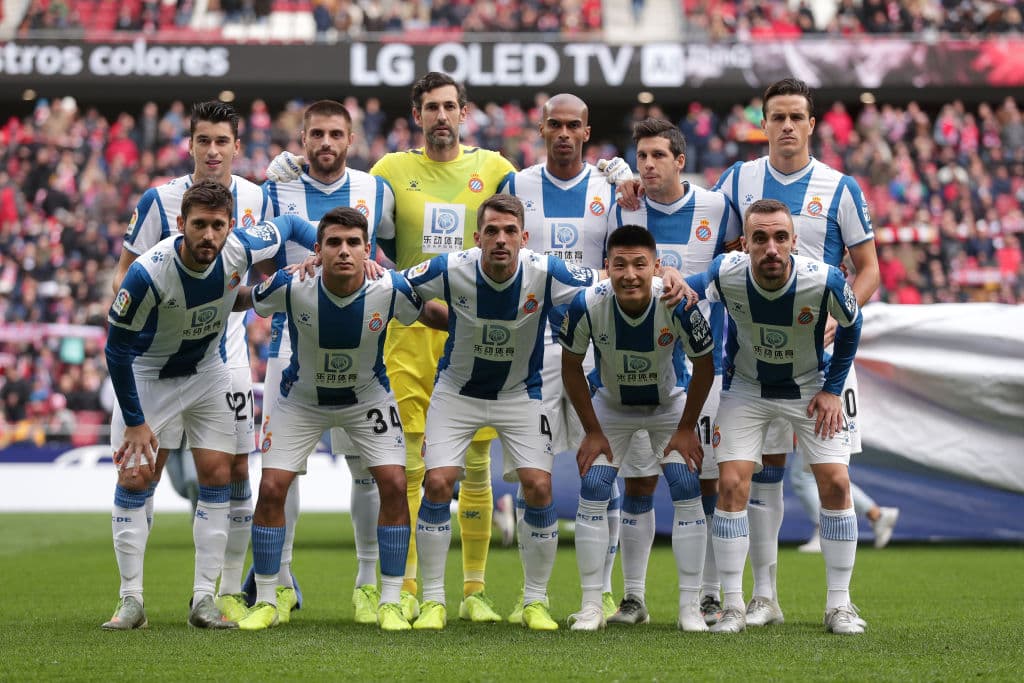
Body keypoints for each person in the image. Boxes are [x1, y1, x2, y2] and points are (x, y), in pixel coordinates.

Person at [102, 180, 315, 630]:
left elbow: (294, 223)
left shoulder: (241, 247)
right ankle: (130, 601)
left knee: (218, 474)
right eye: (198, 225)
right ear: (180, 225)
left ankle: (204, 598)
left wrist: (317, 251)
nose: (208, 236)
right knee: (136, 476)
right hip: (148, 374)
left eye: (218, 226)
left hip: (207, 372)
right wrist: (137, 424)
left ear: (231, 226)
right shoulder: (148, 272)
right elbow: (116, 350)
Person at [713, 78, 881, 627]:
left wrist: (841, 312)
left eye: (796, 117)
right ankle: (763, 598)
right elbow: (712, 249)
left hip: (822, 360)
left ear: (812, 125)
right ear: (763, 124)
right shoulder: (737, 180)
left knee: (833, 478)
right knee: (762, 475)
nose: (786, 126)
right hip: (753, 358)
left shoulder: (840, 187)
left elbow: (870, 267)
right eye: (777, 117)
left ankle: (840, 603)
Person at [235, 207, 447, 632]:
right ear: (317, 250)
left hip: (366, 398)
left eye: (353, 243)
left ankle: (388, 598)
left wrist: (486, 321)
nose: (344, 251)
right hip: (302, 399)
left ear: (368, 249)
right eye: (334, 242)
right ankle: (267, 594)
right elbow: (244, 299)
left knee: (393, 483)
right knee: (272, 486)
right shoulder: (293, 283)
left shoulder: (388, 286)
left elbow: (432, 315)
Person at [402, 194, 601, 631]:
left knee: (539, 487)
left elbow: (606, 282)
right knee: (437, 482)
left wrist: (663, 275)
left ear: (524, 238)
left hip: (520, 394)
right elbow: (395, 286)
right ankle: (434, 600)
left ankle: (534, 602)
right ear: (477, 238)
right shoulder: (451, 268)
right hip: (457, 392)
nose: (500, 239)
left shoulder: (546, 271)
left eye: (510, 231)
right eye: (491, 231)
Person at [111, 101, 271, 624]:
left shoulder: (255, 197)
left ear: (236, 147)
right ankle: (131, 597)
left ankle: (216, 592)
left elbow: (269, 255)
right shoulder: (159, 199)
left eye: (222, 141)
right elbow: (126, 274)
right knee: (140, 473)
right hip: (155, 357)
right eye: (203, 141)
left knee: (228, 471)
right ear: (191, 145)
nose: (213, 151)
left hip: (221, 358)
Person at [369, 73, 517, 623]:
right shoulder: (389, 172)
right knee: (411, 465)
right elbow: (358, 233)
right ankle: (408, 588)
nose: (441, 116)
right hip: (408, 332)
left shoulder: (496, 169)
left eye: (450, 107)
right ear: (417, 113)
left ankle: (474, 591)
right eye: (431, 107)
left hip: (474, 334)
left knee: (475, 462)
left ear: (464, 112)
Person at [693, 198, 865, 634]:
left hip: (810, 386)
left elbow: (852, 326)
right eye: (761, 238)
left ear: (794, 241)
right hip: (747, 387)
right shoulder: (725, 271)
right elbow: (690, 288)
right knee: (731, 483)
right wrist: (672, 279)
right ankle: (734, 605)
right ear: (745, 243)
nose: (771, 247)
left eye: (780, 237)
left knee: (837, 481)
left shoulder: (823, 279)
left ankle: (839, 606)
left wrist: (831, 389)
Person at [262, 99, 396, 625]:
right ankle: (282, 583)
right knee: (281, 473)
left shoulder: (375, 190)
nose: (325, 143)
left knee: (365, 470)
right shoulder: (276, 187)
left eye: (335, 134)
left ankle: (367, 584)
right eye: (316, 133)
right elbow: (262, 260)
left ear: (351, 138)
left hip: (360, 345)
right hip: (289, 346)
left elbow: (385, 257)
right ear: (302, 138)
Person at [497, 93, 623, 622]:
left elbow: (628, 261)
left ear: (587, 132)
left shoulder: (610, 188)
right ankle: (535, 597)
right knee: (536, 474)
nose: (565, 134)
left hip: (598, 345)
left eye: (575, 125)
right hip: (537, 348)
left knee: (603, 473)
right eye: (556, 125)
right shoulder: (517, 185)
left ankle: (605, 590)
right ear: (542, 128)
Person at [611, 118, 738, 626]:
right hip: (637, 365)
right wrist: (614, 170)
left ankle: (709, 595)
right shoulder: (626, 204)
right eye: (640, 156)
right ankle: (635, 598)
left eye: (658, 156)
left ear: (679, 160)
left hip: (705, 368)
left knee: (705, 481)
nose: (647, 165)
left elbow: (734, 262)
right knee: (639, 482)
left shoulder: (715, 207)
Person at [561, 225, 715, 632]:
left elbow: (705, 365)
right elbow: (570, 367)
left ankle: (688, 608)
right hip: (612, 407)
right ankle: (593, 604)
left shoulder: (678, 303)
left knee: (685, 485)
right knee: (594, 488)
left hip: (668, 406)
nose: (630, 274)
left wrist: (685, 429)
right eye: (620, 264)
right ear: (606, 266)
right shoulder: (587, 304)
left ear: (657, 267)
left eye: (640, 265)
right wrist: (592, 431)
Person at [790, 449, 900, 552]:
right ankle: (876, 514)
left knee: (808, 476)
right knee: (827, 475)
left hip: (823, 430)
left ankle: (826, 531)